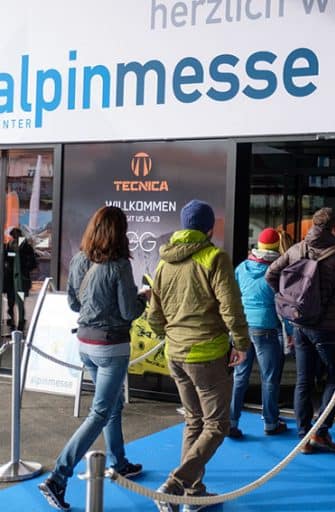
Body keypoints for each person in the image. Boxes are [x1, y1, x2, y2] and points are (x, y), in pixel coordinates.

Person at [38, 207, 147, 511]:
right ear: (120, 232)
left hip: (85, 344)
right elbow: (129, 312)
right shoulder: (120, 265)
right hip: (111, 347)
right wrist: (144, 298)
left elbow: (74, 304)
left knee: (112, 405)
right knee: (99, 412)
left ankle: (120, 463)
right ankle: (58, 478)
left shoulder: (78, 259)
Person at [147, 199, 250, 512]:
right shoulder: (214, 257)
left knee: (194, 422)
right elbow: (230, 307)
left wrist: (170, 336)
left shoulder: (164, 262)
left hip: (175, 353)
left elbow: (154, 315)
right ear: (209, 229)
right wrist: (241, 343)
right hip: (206, 354)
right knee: (217, 425)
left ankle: (191, 494)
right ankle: (175, 484)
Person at [266, 207, 335, 454]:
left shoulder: (297, 249)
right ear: (334, 228)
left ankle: (303, 435)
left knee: (303, 380)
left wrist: (287, 298)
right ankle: (320, 431)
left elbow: (270, 274)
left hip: (300, 324)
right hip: (328, 327)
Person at [228, 228, 290, 439]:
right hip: (266, 328)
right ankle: (271, 423)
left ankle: (231, 422)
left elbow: (232, 297)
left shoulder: (242, 267)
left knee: (240, 376)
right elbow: (284, 304)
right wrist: (290, 332)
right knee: (269, 378)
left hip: (243, 327)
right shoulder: (277, 271)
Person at [4, 227, 37, 331]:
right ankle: (11, 320)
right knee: (11, 301)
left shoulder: (26, 247)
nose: (14, 237)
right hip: (11, 280)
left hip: (21, 280)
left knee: (20, 302)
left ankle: (21, 321)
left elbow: (32, 263)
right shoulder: (9, 245)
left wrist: (24, 266)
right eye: (13, 235)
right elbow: (6, 259)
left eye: (15, 235)